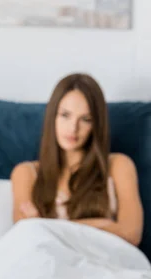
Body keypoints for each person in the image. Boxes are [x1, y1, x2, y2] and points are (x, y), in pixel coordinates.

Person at [10, 73, 143, 246]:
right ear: (53, 117)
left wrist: (47, 226)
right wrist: (102, 224)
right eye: (65, 115)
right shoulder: (26, 173)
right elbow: (24, 235)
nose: (73, 128)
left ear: (96, 125)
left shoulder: (119, 165)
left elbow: (131, 235)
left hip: (104, 262)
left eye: (86, 119)